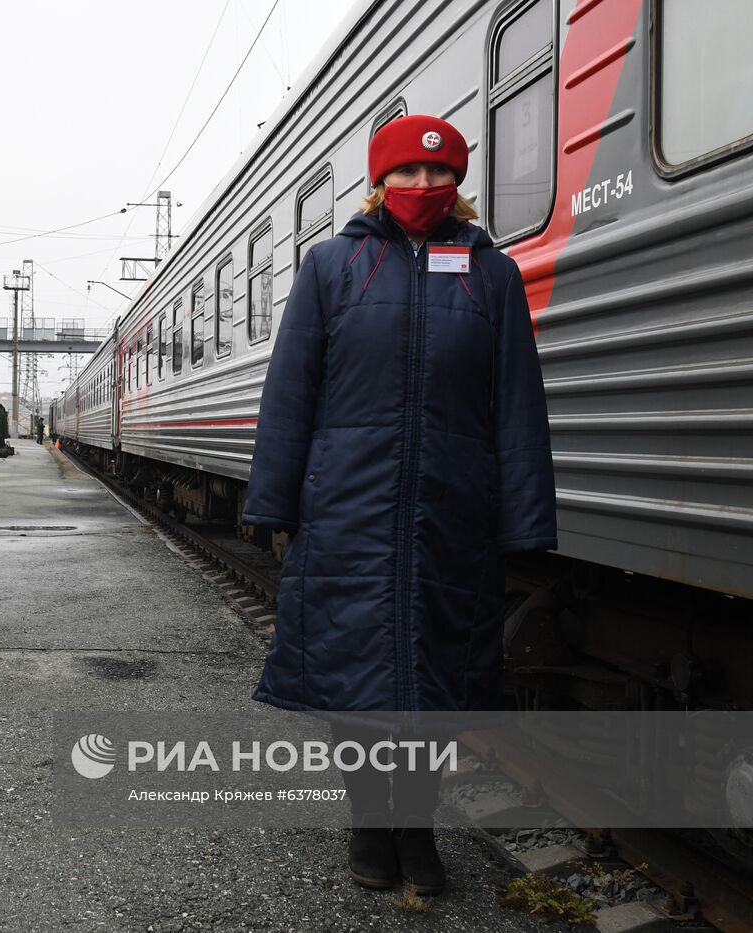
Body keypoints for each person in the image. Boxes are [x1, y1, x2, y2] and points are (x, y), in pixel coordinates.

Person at [242, 115, 557, 894]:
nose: (424, 188)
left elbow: (517, 403)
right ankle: (367, 824)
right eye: (408, 175)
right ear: (379, 183)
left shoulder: (492, 275)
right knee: (356, 683)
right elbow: (291, 394)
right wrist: (273, 503)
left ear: (459, 184)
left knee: (433, 685)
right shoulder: (332, 266)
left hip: (451, 512)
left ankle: (416, 828)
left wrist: (523, 516)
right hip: (348, 508)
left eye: (440, 174)